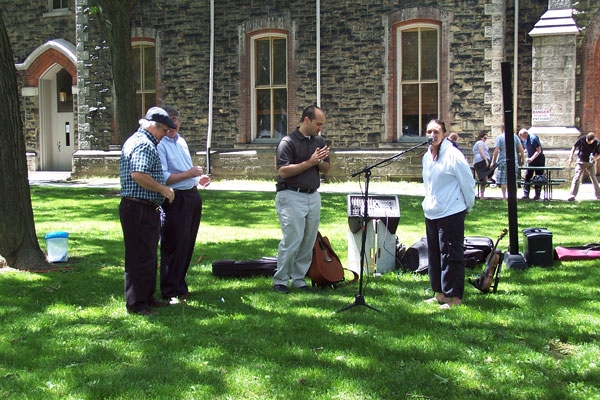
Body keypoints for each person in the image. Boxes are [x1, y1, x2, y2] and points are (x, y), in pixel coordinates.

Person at [119, 107, 177, 315]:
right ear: (154, 127)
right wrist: (163, 189)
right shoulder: (144, 143)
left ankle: (146, 297)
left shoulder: (140, 141)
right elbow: (138, 174)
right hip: (139, 207)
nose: (164, 135)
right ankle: (137, 303)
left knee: (148, 255)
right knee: (140, 257)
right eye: (164, 131)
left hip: (143, 207)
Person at [273, 105, 330, 294]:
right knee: (292, 240)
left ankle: (299, 279)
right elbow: (283, 171)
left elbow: (326, 168)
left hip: (313, 195)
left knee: (308, 240)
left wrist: (319, 162)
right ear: (306, 120)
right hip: (291, 195)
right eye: (318, 124)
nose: (320, 128)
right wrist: (310, 162)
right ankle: (281, 280)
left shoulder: (319, 140)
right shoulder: (287, 142)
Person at [157, 106, 211, 304]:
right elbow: (163, 177)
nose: (172, 125)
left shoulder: (181, 141)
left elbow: (186, 171)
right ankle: (170, 289)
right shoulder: (160, 144)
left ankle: (179, 285)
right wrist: (189, 174)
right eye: (168, 121)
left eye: (175, 119)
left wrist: (197, 179)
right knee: (174, 244)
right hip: (175, 198)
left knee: (187, 244)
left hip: (191, 196)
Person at [422, 119, 475, 309]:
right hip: (432, 213)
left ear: (444, 134)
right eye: (429, 132)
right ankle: (440, 293)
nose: (433, 135)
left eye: (436, 131)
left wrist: (468, 206)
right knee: (435, 254)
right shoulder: (427, 156)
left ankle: (454, 298)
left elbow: (468, 182)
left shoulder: (453, 155)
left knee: (451, 255)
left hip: (452, 211)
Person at [490, 130, 525, 200]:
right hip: (514, 160)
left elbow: (496, 150)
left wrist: (493, 162)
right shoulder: (515, 137)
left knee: (504, 181)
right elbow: (521, 149)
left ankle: (504, 197)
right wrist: (523, 159)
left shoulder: (499, 137)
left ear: (502, 130)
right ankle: (513, 197)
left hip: (503, 160)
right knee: (513, 180)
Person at [567, 132, 600, 201]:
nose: (588, 142)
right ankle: (572, 195)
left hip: (591, 163)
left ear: (593, 140)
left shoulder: (597, 143)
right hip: (581, 162)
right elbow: (574, 146)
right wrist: (571, 157)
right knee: (577, 177)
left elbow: (599, 154)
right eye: (587, 141)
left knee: (594, 178)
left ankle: (598, 195)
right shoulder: (582, 139)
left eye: (590, 142)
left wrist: (596, 158)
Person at [518, 128, 545, 200]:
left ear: (524, 134)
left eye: (521, 136)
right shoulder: (525, 140)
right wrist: (523, 152)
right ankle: (526, 194)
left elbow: (538, 150)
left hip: (539, 159)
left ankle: (537, 195)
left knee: (538, 177)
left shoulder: (533, 138)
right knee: (528, 176)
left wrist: (531, 158)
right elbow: (527, 148)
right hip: (531, 160)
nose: (521, 138)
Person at [472, 131, 496, 199]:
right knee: (495, 165)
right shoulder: (480, 142)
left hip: (478, 161)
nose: (485, 139)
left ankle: (482, 195)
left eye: (486, 138)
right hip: (481, 161)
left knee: (484, 179)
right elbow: (481, 151)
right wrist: (485, 160)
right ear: (481, 137)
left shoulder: (479, 143)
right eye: (484, 138)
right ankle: (493, 178)